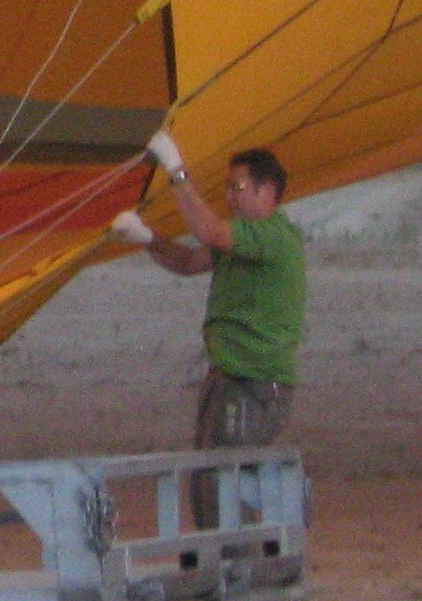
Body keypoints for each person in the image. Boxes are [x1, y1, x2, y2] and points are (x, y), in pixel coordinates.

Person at [116, 134, 304, 457]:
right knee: (209, 478)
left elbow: (209, 231)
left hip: (254, 385)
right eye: (228, 188)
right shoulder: (243, 240)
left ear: (267, 192)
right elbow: (188, 262)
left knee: (221, 480)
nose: (230, 197)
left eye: (238, 188)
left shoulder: (272, 235)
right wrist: (147, 237)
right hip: (230, 379)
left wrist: (176, 169)